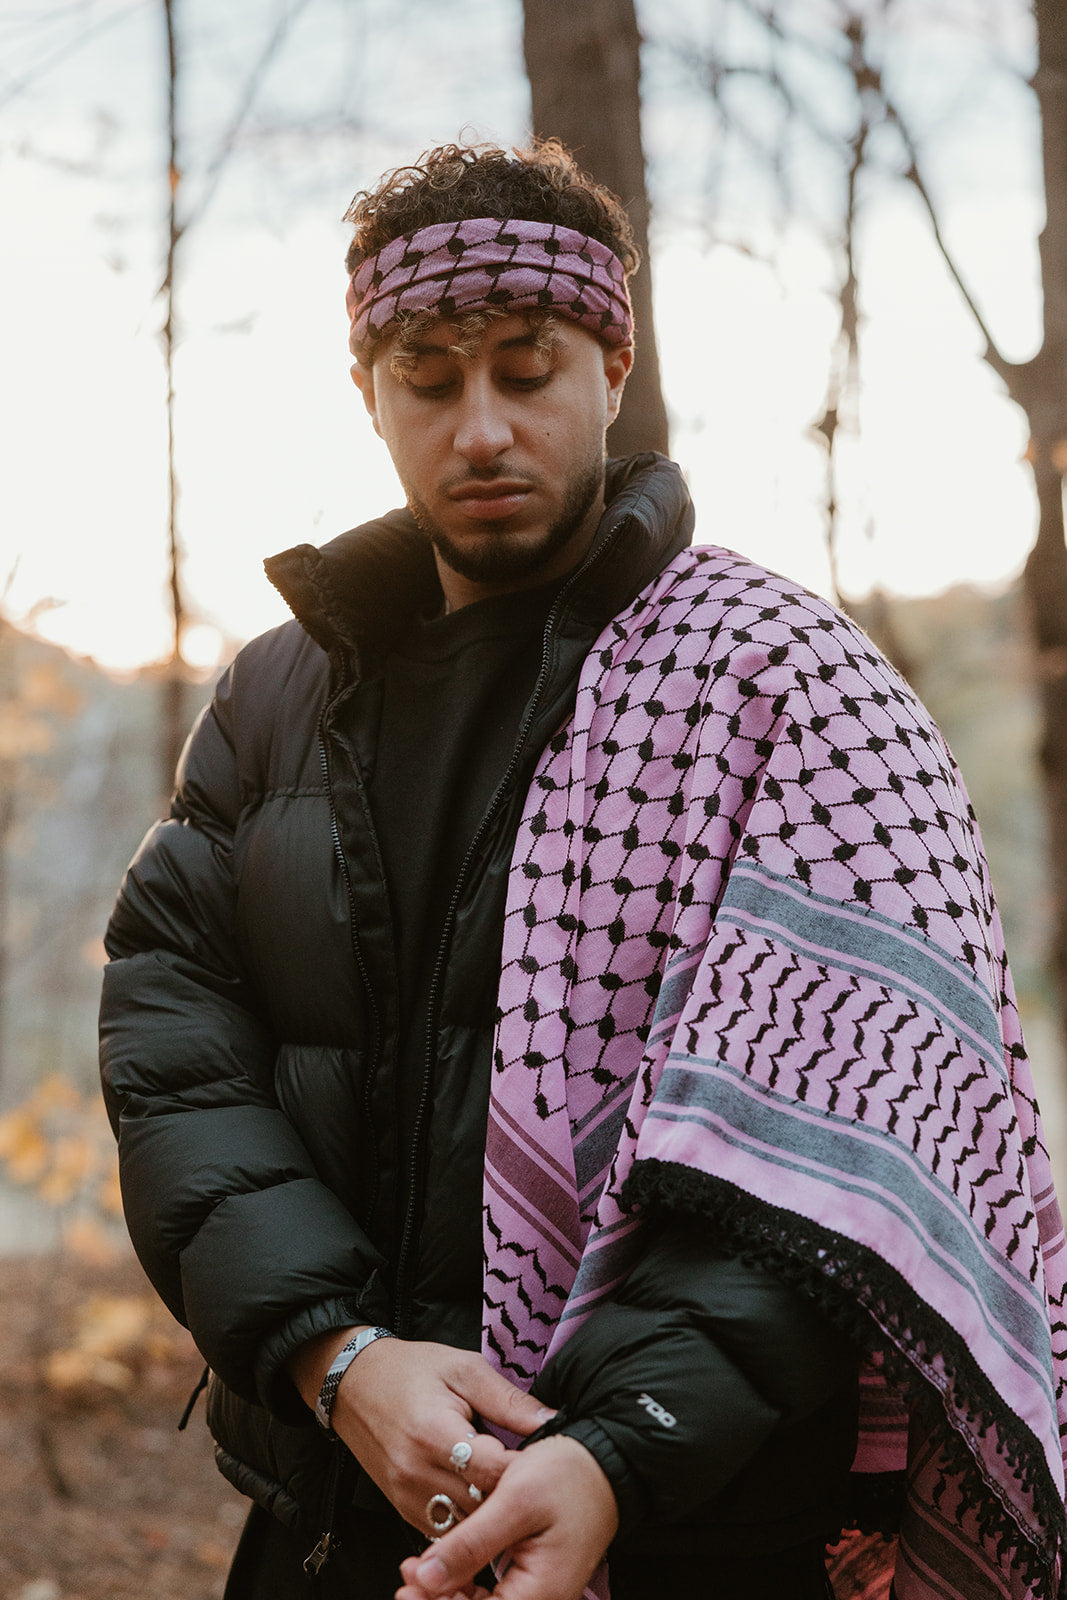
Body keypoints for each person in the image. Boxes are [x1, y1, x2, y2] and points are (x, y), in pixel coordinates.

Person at [99, 139, 1067, 1600]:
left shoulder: (786, 686)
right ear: (366, 395)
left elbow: (856, 1136)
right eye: (429, 377)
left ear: (613, 366)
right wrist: (336, 1359)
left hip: (696, 1526)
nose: (481, 425)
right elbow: (180, 1058)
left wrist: (619, 1445)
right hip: (334, 1507)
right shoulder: (278, 696)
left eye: (527, 367)